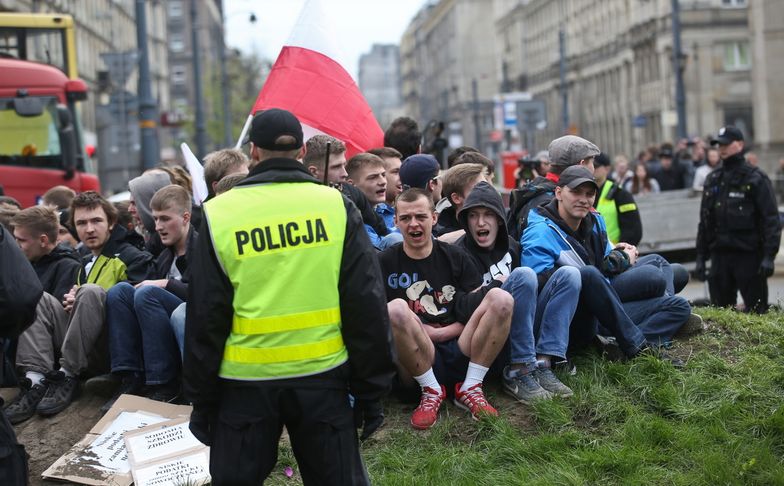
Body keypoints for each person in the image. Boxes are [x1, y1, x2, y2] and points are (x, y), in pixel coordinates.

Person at [184, 109, 395, 485]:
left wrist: (203, 399)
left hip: (244, 382)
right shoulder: (335, 207)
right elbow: (365, 303)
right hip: (323, 378)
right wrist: (370, 390)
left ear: (253, 152)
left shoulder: (217, 215)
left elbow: (205, 316)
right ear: (301, 152)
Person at [6, 192, 153, 421]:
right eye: (81, 223)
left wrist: (88, 299)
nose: (89, 229)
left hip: (115, 349)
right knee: (38, 298)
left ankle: (66, 376)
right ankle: (35, 380)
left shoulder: (132, 255)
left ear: (111, 223)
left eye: (96, 221)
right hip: (82, 344)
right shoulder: (83, 259)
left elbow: (135, 306)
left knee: (91, 292)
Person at [522, 166, 688, 361]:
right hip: (571, 318)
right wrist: (615, 263)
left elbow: (607, 267)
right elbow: (539, 287)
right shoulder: (540, 231)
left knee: (679, 305)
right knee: (590, 275)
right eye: (575, 192)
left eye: (589, 194)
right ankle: (637, 346)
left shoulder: (594, 220)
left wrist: (620, 255)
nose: (583, 199)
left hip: (606, 304)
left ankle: (616, 343)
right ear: (558, 192)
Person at [380, 188, 512, 429]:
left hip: (461, 345)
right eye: (406, 218)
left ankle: (471, 386)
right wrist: (424, 333)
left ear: (434, 218)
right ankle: (430, 390)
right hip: (417, 356)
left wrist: (441, 333)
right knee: (395, 309)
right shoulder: (384, 262)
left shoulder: (455, 256)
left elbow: (472, 307)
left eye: (420, 216)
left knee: (500, 298)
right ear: (395, 221)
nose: (414, 224)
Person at [456, 182, 572, 402]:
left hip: (524, 331)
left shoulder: (512, 246)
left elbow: (532, 287)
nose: (481, 222)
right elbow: (461, 310)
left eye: (488, 214)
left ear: (499, 218)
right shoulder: (459, 254)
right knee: (523, 275)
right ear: (466, 220)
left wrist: (517, 281)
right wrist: (497, 286)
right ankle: (518, 371)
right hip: (488, 339)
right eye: (473, 215)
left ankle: (543, 363)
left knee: (569, 275)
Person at [103, 185, 196, 410]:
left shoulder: (203, 247)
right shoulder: (164, 255)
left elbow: (205, 294)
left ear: (185, 217)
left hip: (193, 327)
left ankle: (164, 384)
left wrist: (167, 283)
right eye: (155, 219)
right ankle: (130, 376)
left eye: (165, 219)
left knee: (148, 292)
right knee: (120, 291)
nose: (158, 227)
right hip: (161, 332)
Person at [696, 126, 780, 313]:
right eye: (719, 144)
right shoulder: (713, 179)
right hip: (720, 256)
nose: (722, 148)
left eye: (726, 144)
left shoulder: (755, 178)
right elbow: (705, 221)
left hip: (749, 255)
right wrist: (701, 256)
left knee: (757, 312)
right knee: (721, 313)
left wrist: (769, 256)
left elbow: (771, 219)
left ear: (740, 144)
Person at [507, 135, 600, 242]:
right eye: (592, 162)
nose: (583, 200)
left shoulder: (534, 192)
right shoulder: (556, 205)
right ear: (581, 164)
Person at [304, 135, 388, 241]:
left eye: (344, 165)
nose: (345, 173)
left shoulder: (353, 193)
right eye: (336, 167)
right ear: (313, 171)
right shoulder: (298, 200)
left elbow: (381, 230)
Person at [593, 153, 642, 246]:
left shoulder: (620, 194)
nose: (591, 169)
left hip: (615, 253)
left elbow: (634, 231)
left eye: (595, 166)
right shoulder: (582, 195)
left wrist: (619, 253)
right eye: (587, 165)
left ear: (607, 169)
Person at [346, 152, 389, 247]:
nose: (383, 182)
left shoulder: (390, 211)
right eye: (373, 177)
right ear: (351, 184)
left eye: (383, 175)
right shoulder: (353, 221)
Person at [434, 163, 487, 237]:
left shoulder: (495, 221)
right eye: (478, 188)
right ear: (456, 198)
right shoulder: (443, 240)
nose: (487, 191)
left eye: (486, 186)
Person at [368, 147, 404, 233]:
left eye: (402, 171)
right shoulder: (367, 219)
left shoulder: (407, 209)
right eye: (395, 172)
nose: (402, 177)